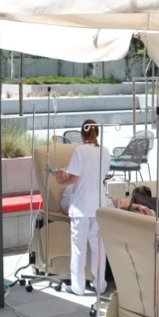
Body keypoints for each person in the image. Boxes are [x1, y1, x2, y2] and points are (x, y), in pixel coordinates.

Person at [55, 120, 110, 296]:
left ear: (81, 133)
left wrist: (59, 179)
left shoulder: (80, 151)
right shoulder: (105, 151)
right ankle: (100, 285)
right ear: (97, 133)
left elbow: (73, 178)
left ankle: (78, 287)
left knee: (79, 248)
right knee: (98, 247)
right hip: (99, 206)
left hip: (81, 206)